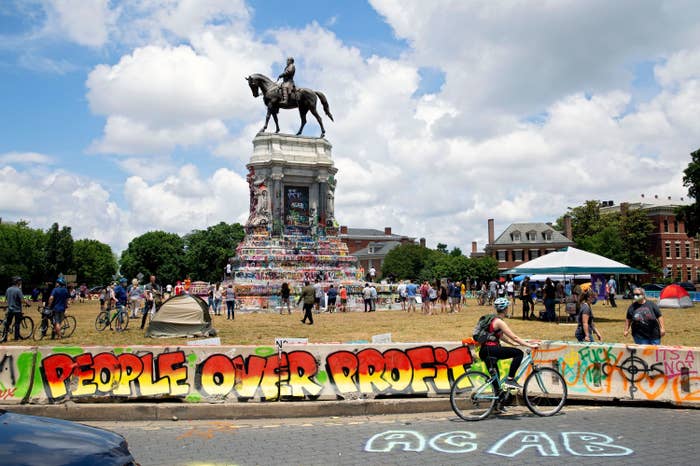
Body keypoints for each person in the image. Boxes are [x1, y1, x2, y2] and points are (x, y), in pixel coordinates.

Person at [478, 297, 538, 394]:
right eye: (507, 308)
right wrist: (530, 345)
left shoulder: (493, 320)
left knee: (495, 380)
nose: (507, 310)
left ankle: (497, 405)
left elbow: (501, 336)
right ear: (505, 309)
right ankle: (510, 379)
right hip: (492, 349)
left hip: (485, 350)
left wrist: (513, 344)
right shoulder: (499, 322)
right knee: (518, 353)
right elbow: (514, 337)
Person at [2, 276, 27, 342]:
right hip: (17, 310)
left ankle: (4, 338)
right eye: (20, 281)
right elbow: (22, 300)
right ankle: (16, 338)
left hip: (10, 309)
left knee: (7, 324)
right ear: (17, 282)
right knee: (17, 324)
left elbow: (6, 299)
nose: (21, 282)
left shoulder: (8, 289)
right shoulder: (18, 290)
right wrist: (27, 303)